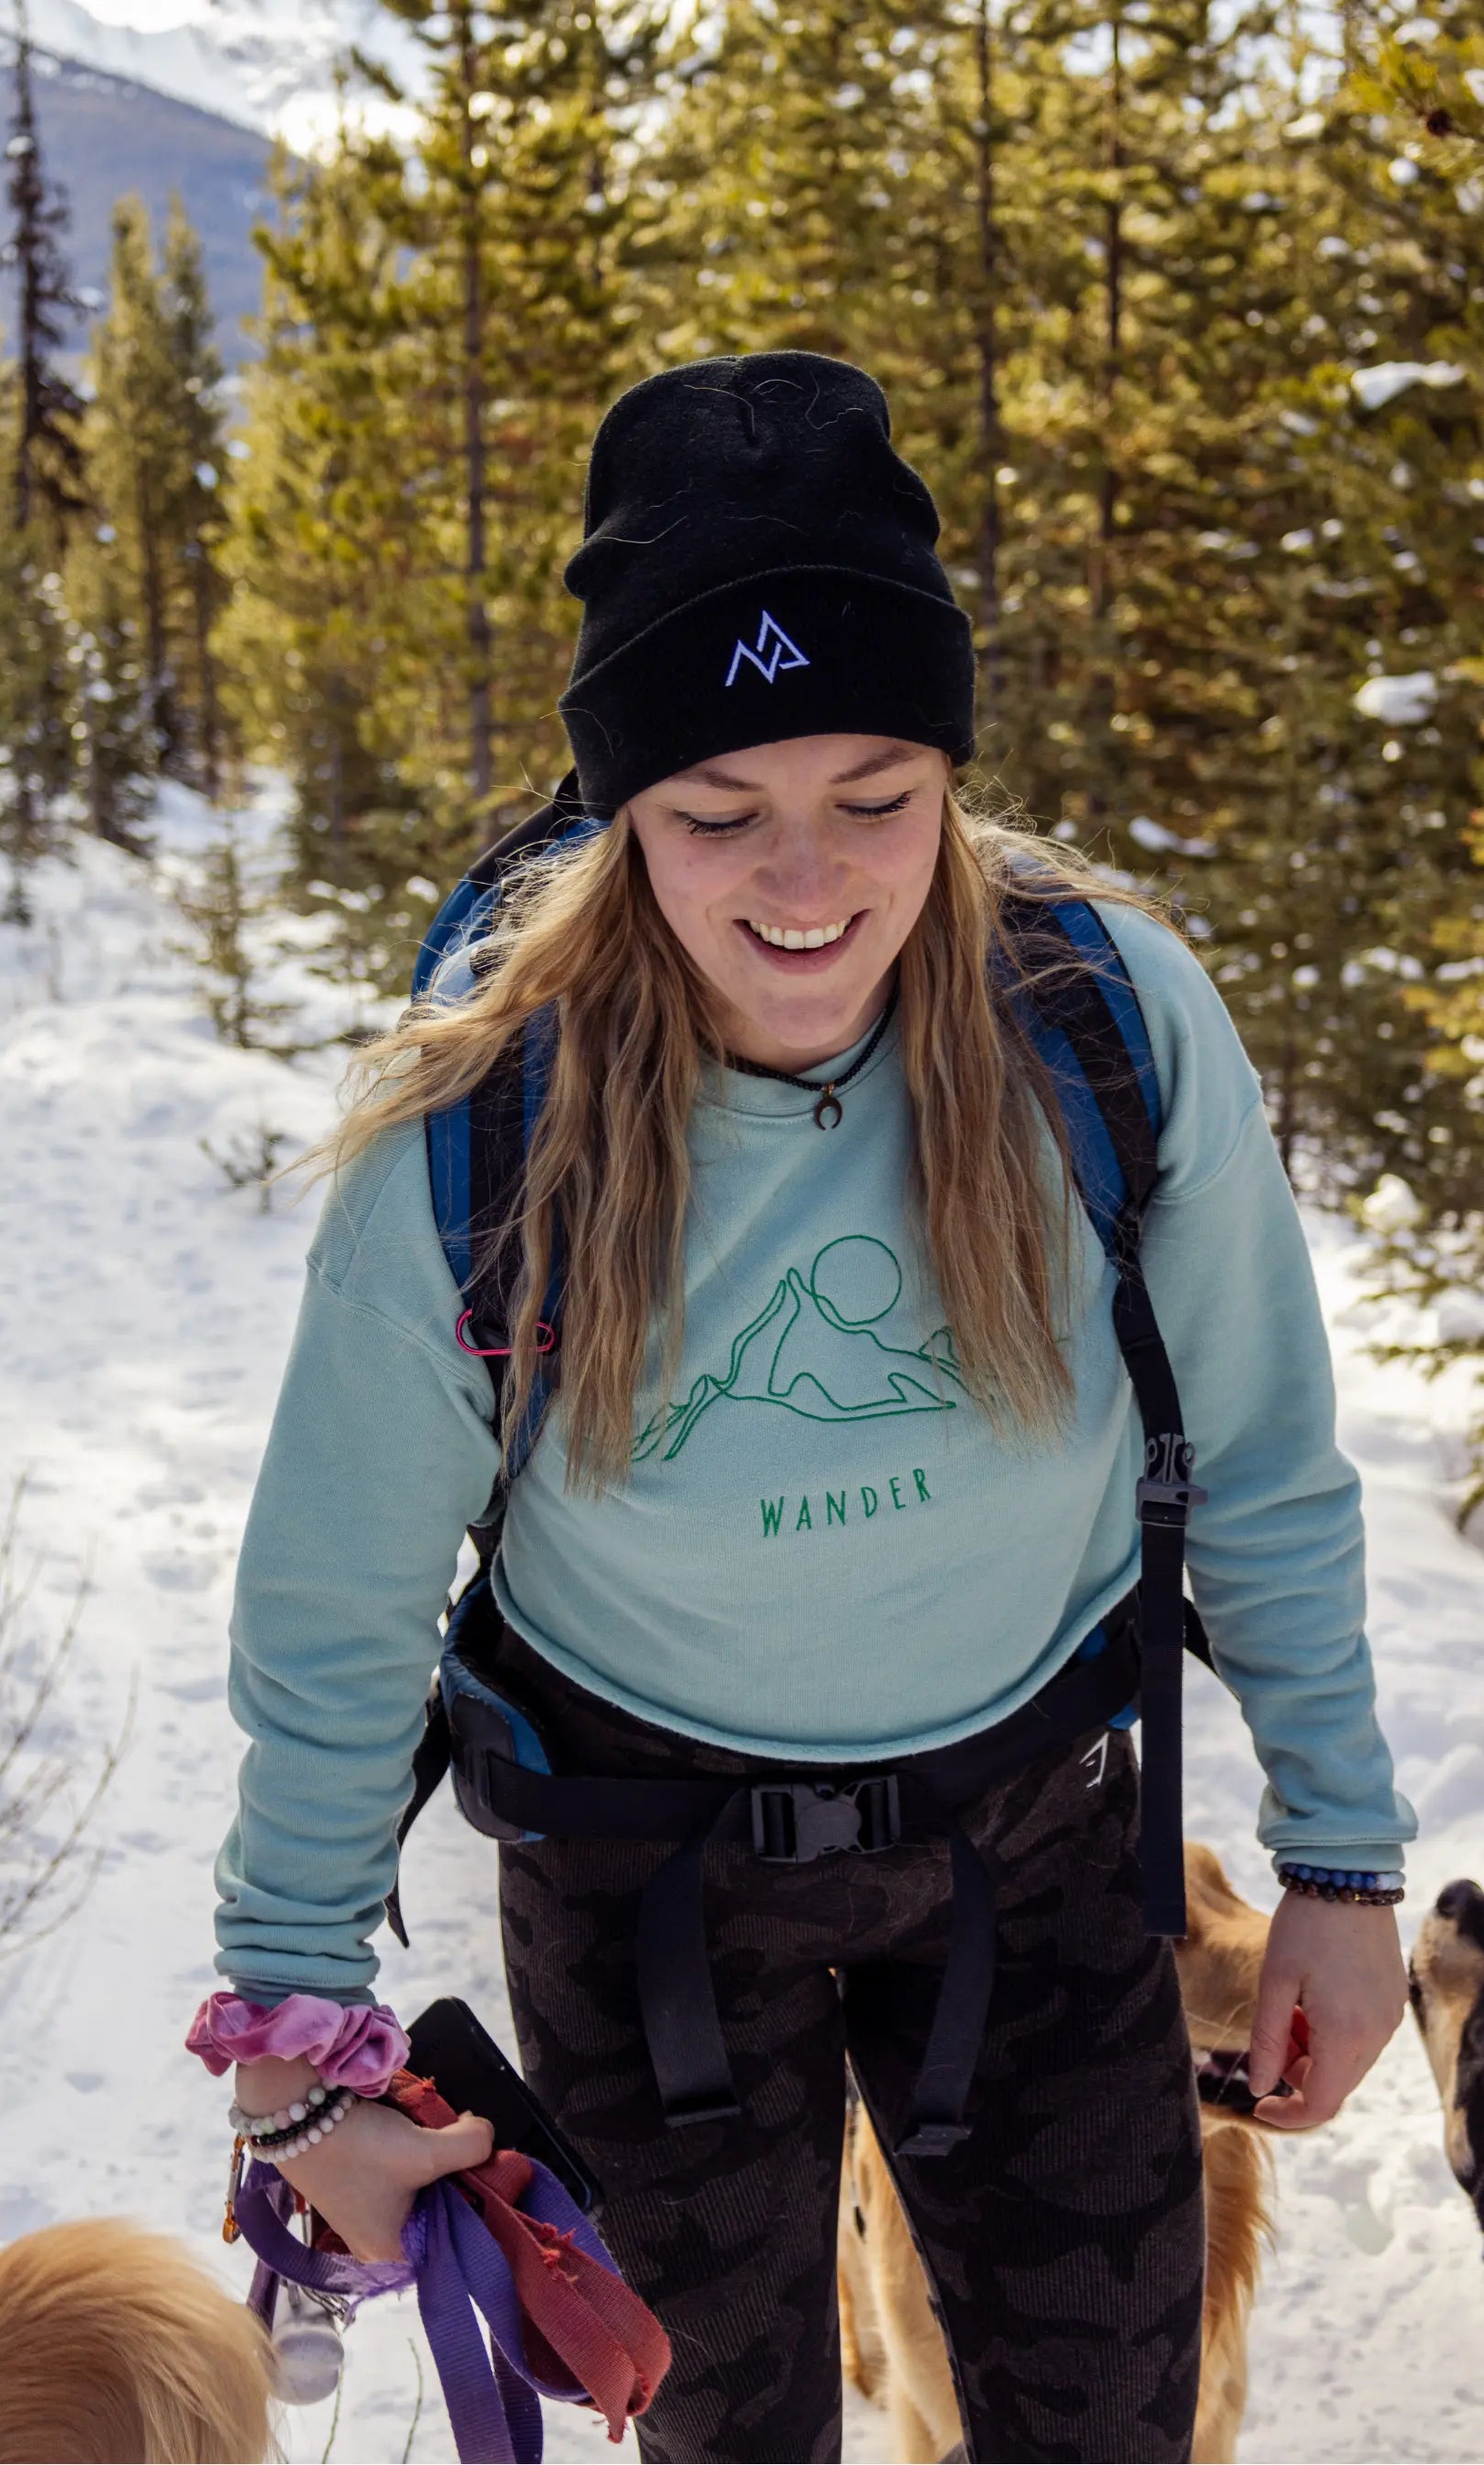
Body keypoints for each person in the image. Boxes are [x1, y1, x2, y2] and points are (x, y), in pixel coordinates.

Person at [193, 352, 1414, 2464]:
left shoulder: (1096, 1020)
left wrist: (1334, 1852)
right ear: (614, 808)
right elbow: (340, 1589)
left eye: (876, 791)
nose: (806, 883)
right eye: (712, 811)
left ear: (950, 766)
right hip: (639, 1876)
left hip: (1035, 1859)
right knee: (720, 2438)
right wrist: (293, 2043)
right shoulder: (491, 1110)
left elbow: (1266, 1462)